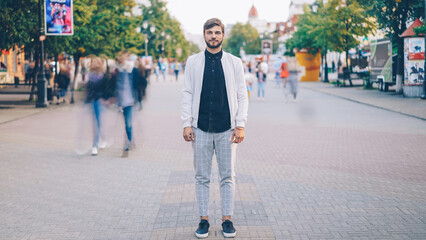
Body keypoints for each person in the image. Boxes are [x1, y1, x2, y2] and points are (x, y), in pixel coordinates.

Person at [181, 18, 248, 239]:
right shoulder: (193, 61)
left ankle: (227, 220)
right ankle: (204, 220)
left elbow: (241, 95)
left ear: (223, 36)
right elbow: (187, 93)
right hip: (200, 128)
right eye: (210, 32)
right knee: (201, 176)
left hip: (226, 130)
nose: (213, 36)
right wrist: (186, 123)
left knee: (227, 176)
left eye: (217, 32)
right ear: (204, 35)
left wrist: (240, 125)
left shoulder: (234, 62)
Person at [114, 51, 136, 157]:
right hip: (120, 102)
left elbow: (139, 82)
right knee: (126, 124)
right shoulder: (117, 72)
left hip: (130, 102)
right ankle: (130, 138)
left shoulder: (131, 70)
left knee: (128, 124)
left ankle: (128, 142)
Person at [85, 57, 107, 155]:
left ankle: (95, 145)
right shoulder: (90, 76)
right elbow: (89, 89)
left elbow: (105, 89)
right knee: (97, 123)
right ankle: (102, 139)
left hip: (100, 102)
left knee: (97, 124)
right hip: (94, 101)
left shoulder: (103, 76)